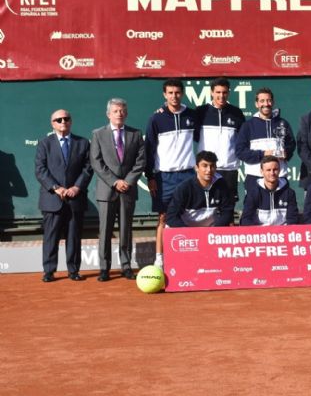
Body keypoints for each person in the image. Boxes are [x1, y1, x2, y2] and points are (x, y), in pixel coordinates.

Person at [90, 98, 146, 282]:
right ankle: (104, 268)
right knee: (105, 231)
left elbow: (140, 162)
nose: (119, 114)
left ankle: (126, 265)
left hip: (128, 190)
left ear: (126, 113)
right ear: (108, 114)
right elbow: (96, 162)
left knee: (125, 230)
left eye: (122, 110)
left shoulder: (136, 134)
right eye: (115, 111)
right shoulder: (98, 134)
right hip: (107, 190)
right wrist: (115, 182)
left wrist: (127, 181)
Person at [145, 79, 198, 269]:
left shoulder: (192, 115)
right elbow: (149, 149)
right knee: (163, 218)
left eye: (177, 92)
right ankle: (159, 258)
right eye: (170, 93)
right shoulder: (156, 119)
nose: (174, 96)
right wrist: (150, 176)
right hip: (164, 177)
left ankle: (190, 257)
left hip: (188, 175)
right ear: (164, 95)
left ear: (182, 93)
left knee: (190, 216)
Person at [35, 109, 93, 282]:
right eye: (58, 120)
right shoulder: (44, 144)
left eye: (66, 119)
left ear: (71, 121)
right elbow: (40, 169)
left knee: (74, 237)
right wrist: (56, 188)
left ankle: (73, 270)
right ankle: (49, 271)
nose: (63, 122)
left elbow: (88, 168)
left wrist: (77, 187)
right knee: (50, 237)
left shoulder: (83, 143)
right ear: (52, 124)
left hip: (75, 198)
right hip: (52, 199)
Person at [236, 87, 296, 193]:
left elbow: (291, 144)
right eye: (262, 101)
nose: (266, 104)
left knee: (281, 209)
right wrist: (264, 154)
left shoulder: (282, 123)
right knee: (253, 209)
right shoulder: (248, 126)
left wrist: (286, 152)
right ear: (256, 104)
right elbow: (240, 152)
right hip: (255, 177)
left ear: (272, 102)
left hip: (279, 176)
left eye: (268, 100)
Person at [196, 77, 245, 202]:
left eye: (224, 92)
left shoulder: (237, 113)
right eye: (218, 92)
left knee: (228, 205)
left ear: (228, 93)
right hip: (206, 168)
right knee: (205, 204)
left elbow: (243, 140)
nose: (221, 96)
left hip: (229, 168)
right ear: (212, 92)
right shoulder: (201, 112)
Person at [165, 151, 234, 227]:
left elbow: (227, 212)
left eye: (212, 166)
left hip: (212, 230)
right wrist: (190, 232)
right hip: (187, 230)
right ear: (196, 168)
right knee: (169, 227)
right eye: (205, 166)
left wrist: (215, 229)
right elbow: (171, 217)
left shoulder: (222, 184)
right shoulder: (184, 187)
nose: (209, 170)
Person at [240, 155, 299, 226]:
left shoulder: (289, 193)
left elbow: (293, 219)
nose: (272, 173)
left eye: (275, 169)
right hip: (260, 234)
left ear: (280, 170)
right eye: (268, 170)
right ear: (262, 172)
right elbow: (246, 220)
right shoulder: (253, 193)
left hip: (282, 234)